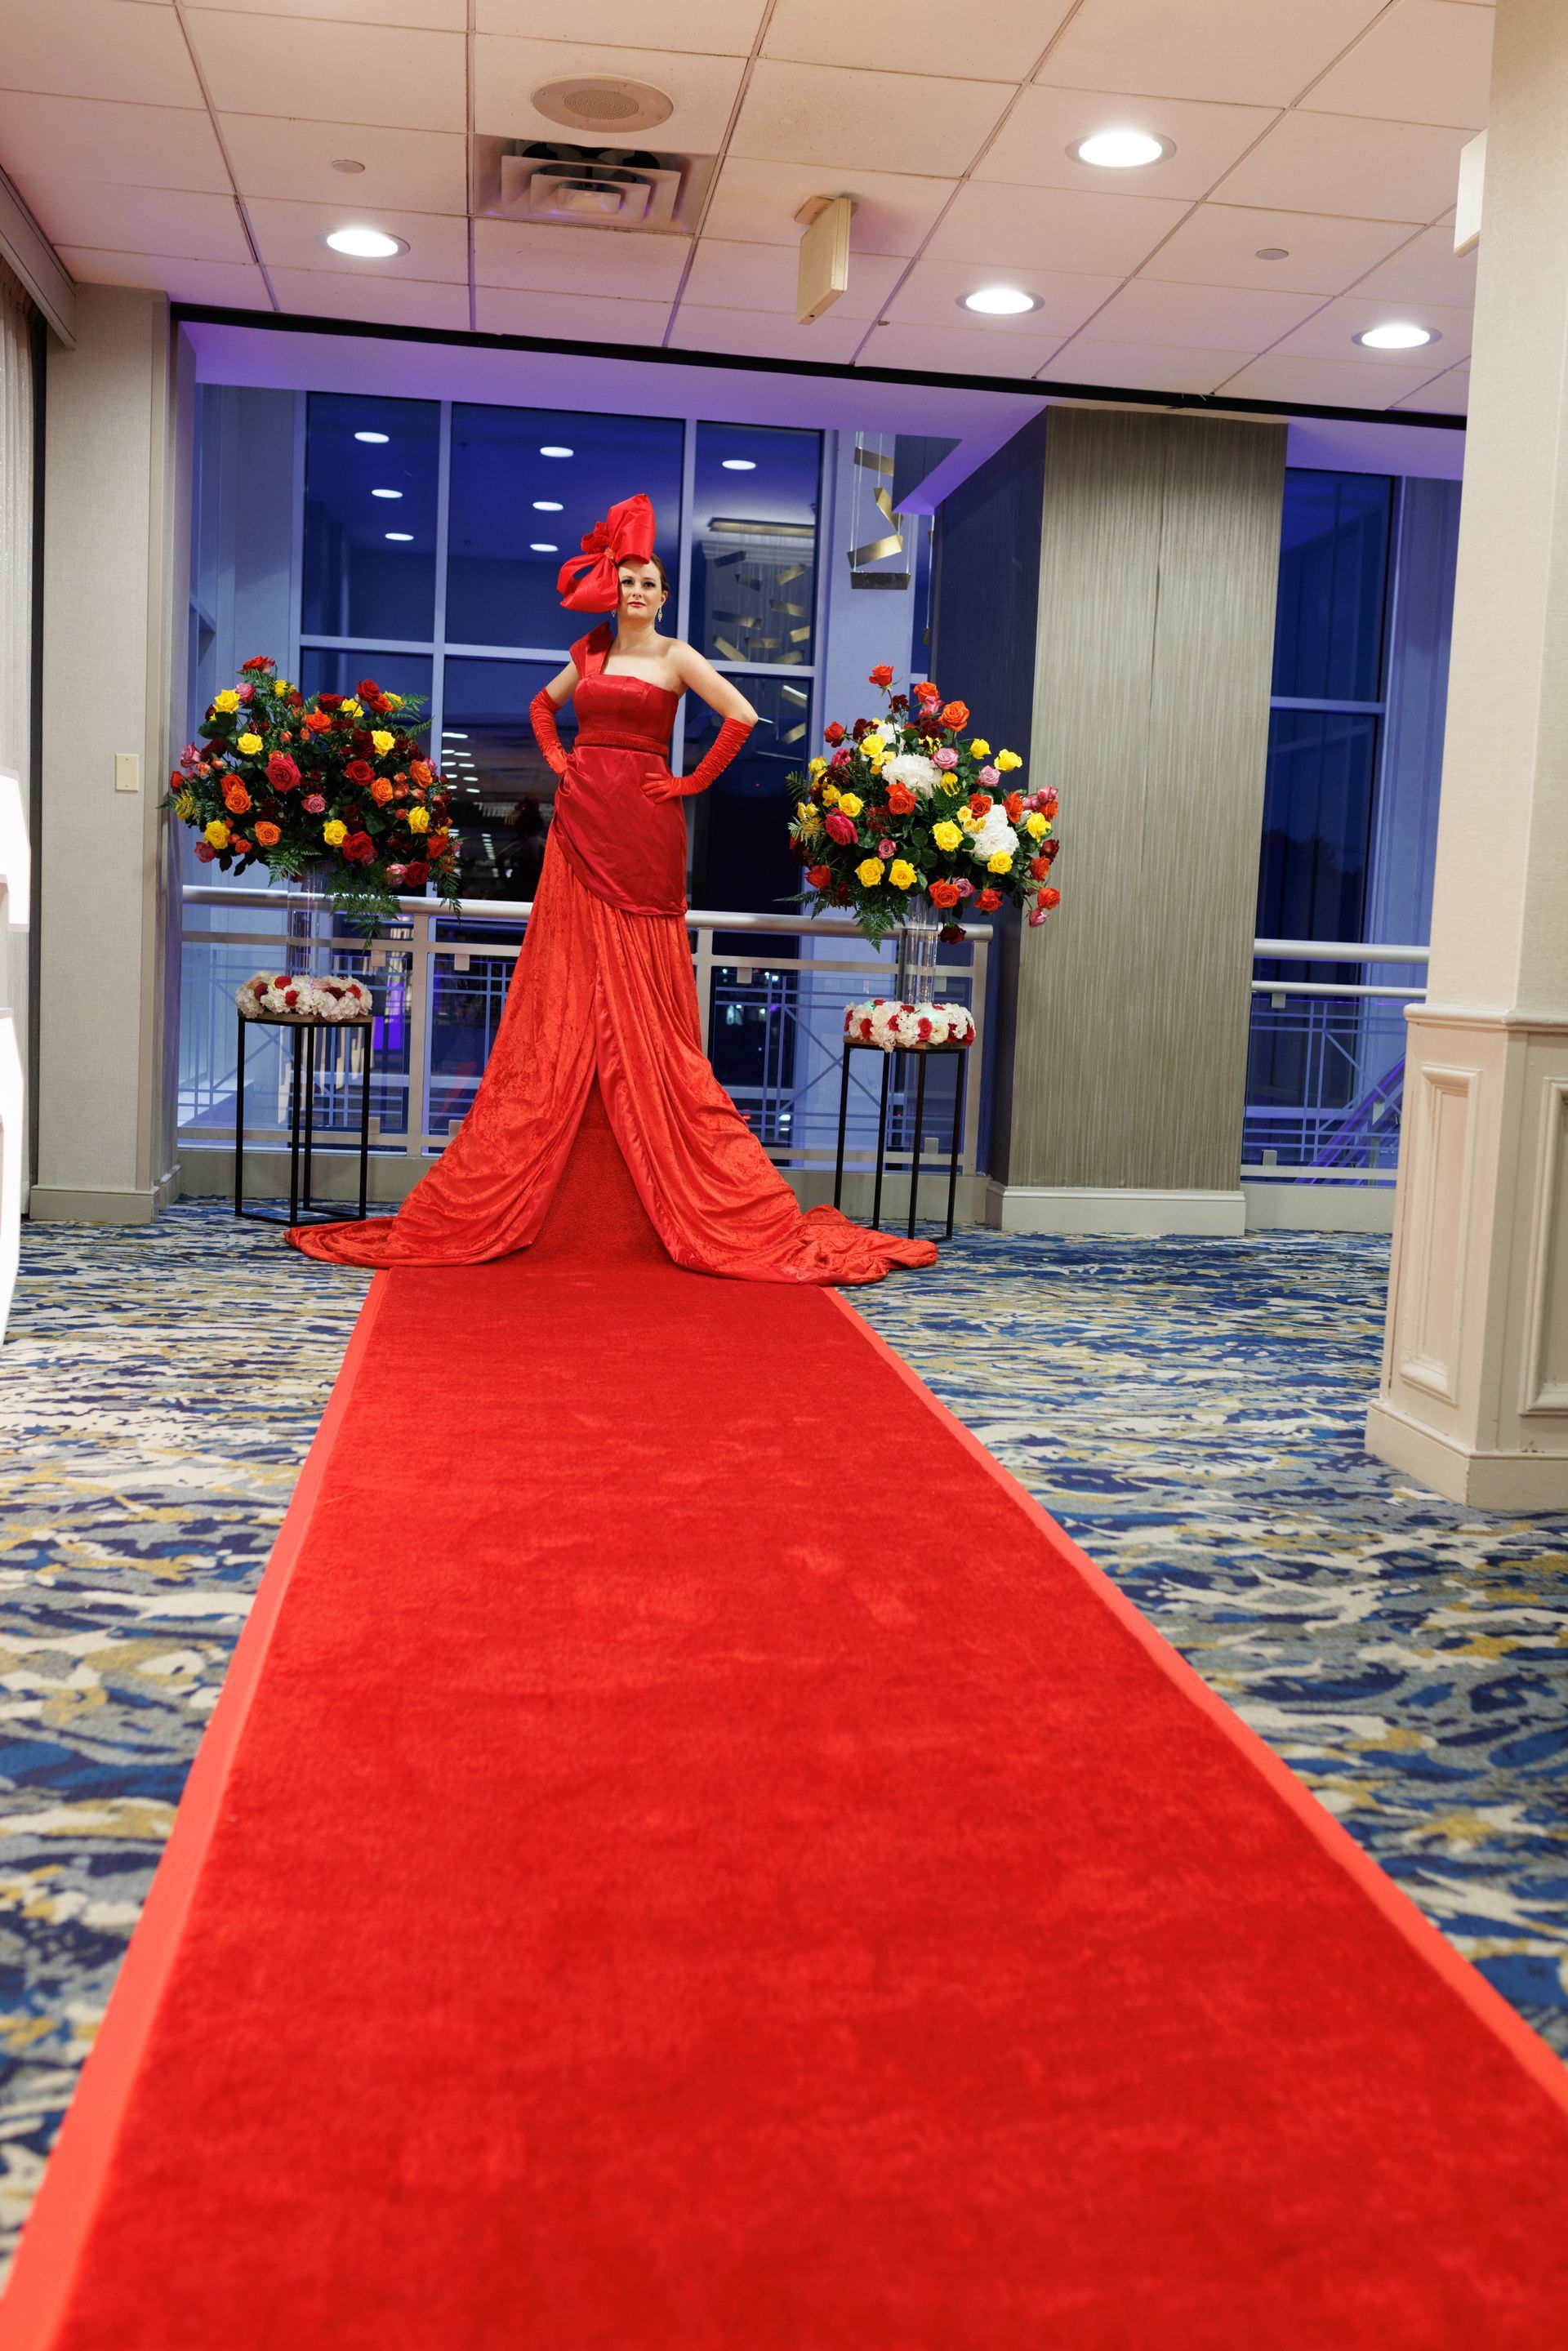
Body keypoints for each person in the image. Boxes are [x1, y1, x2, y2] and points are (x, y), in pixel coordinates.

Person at [287, 493, 937, 1284]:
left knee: (647, 997)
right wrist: (561, 764)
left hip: (644, 826)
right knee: (561, 988)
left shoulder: (675, 657)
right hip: (579, 824)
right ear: (614, 585)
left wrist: (687, 780)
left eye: (649, 582)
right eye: (627, 579)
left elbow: (738, 715)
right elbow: (539, 705)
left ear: (664, 595)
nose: (636, 591)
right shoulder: (590, 652)